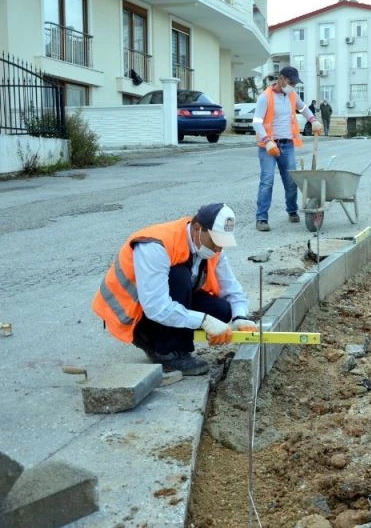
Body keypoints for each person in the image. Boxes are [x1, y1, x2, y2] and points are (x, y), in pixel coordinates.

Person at [92, 203, 259, 376]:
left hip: (163, 300)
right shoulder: (156, 245)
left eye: (222, 244)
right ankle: (164, 349)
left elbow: (232, 288)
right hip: (135, 311)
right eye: (215, 241)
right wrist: (204, 321)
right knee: (179, 276)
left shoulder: (210, 247)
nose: (218, 249)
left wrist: (240, 316)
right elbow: (156, 306)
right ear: (197, 228)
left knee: (222, 310)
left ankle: (171, 335)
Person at [252, 66, 322, 232]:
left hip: (287, 144)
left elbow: (303, 108)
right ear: (281, 78)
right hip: (268, 147)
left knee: (291, 181)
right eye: (291, 83)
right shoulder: (265, 97)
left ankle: (292, 211)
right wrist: (268, 142)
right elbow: (256, 122)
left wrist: (313, 120)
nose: (293, 86)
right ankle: (261, 218)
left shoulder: (291, 95)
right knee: (267, 181)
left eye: (295, 84)